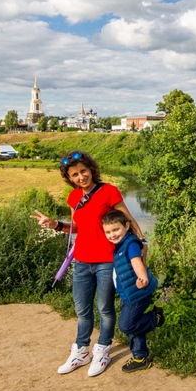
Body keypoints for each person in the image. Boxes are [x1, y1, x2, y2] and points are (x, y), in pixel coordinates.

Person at [31, 151, 146, 377]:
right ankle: (81, 351)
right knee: (82, 310)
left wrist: (141, 245)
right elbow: (76, 228)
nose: (81, 177)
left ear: (91, 169)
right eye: (74, 174)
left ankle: (102, 349)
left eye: (83, 171)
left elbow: (128, 220)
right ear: (69, 178)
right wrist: (54, 224)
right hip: (82, 261)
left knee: (104, 308)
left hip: (106, 261)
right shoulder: (74, 198)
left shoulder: (109, 191)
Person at [101, 209, 164, 372]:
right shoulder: (120, 245)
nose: (112, 235)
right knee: (133, 326)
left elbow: (136, 261)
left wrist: (142, 278)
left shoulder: (130, 244)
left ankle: (155, 318)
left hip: (138, 292)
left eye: (116, 230)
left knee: (127, 325)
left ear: (127, 226)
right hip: (129, 294)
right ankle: (140, 357)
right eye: (108, 232)